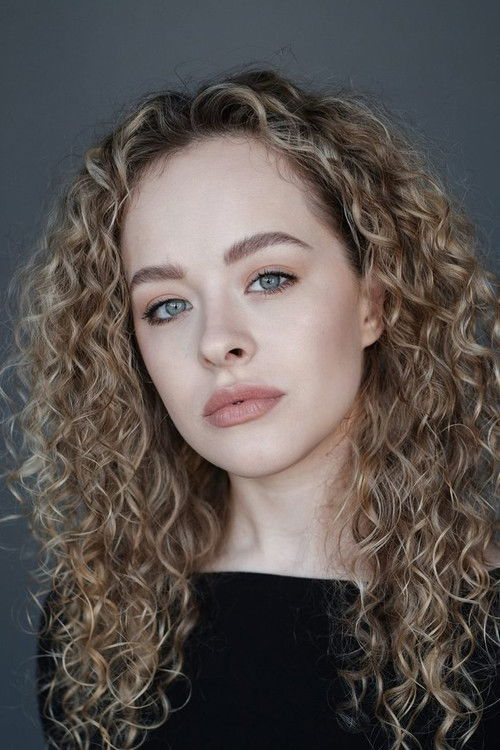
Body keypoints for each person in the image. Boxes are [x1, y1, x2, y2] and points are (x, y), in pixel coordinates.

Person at [1, 66, 498, 749]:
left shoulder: (487, 622)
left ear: (372, 302)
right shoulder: (99, 634)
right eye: (166, 306)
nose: (217, 342)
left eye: (268, 278)